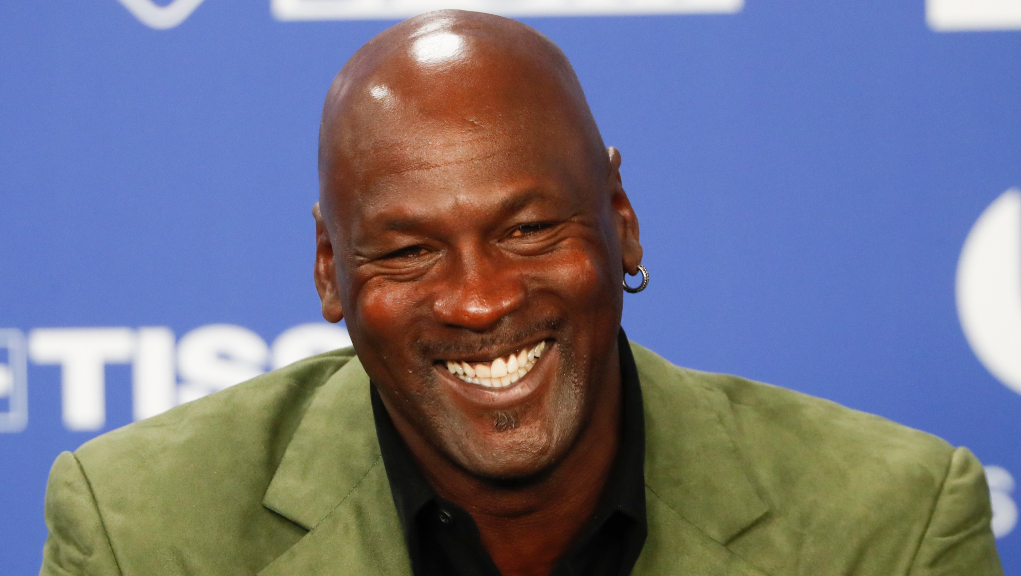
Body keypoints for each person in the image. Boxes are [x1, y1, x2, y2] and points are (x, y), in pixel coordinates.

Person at [40, 10, 1004, 576]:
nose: (478, 299)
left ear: (621, 220)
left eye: (528, 230)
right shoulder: (143, 531)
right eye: (407, 251)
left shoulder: (890, 525)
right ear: (330, 270)